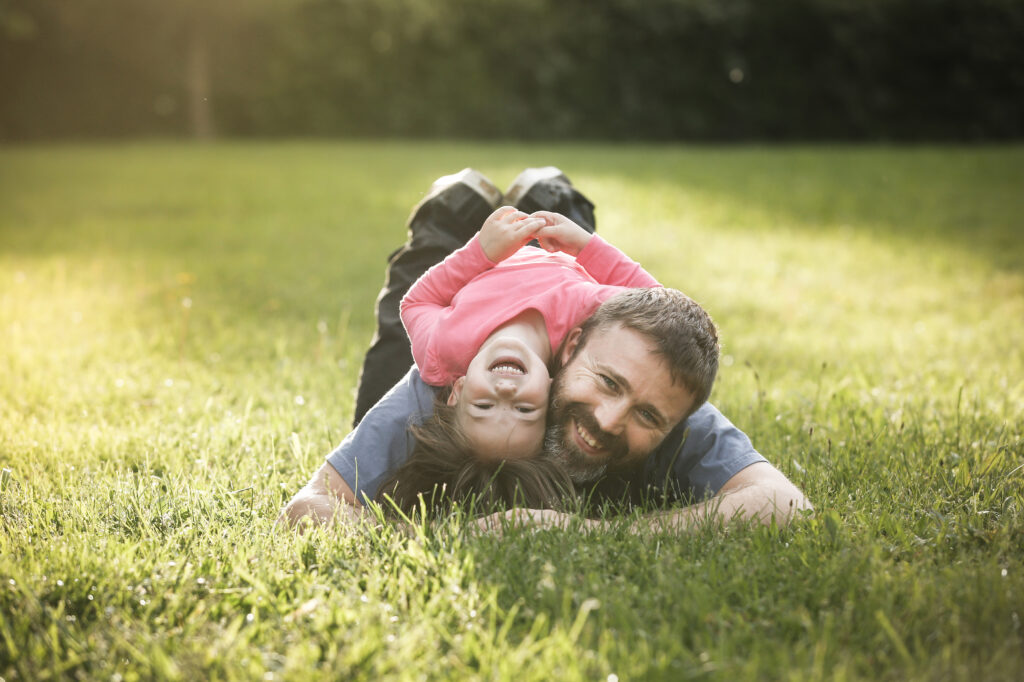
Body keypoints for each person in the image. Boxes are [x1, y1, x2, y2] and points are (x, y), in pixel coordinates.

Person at [279, 167, 811, 531]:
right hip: (482, 308)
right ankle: (462, 202)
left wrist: (591, 535)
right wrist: (443, 538)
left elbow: (787, 503)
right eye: (607, 382)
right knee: (408, 317)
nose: (607, 419)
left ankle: (545, 194)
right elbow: (307, 509)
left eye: (646, 415)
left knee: (571, 251)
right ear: (572, 347)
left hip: (558, 291)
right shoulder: (451, 382)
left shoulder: (662, 383)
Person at [389, 196, 677, 514]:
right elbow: (661, 307)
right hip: (559, 245)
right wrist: (585, 245)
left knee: (451, 204)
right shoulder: (584, 330)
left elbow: (415, 302)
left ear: (458, 389)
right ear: (552, 392)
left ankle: (463, 190)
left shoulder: (440, 350)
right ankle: (542, 185)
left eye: (483, 405)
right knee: (553, 197)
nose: (506, 391)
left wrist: (480, 252)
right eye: (525, 409)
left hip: (493, 251)